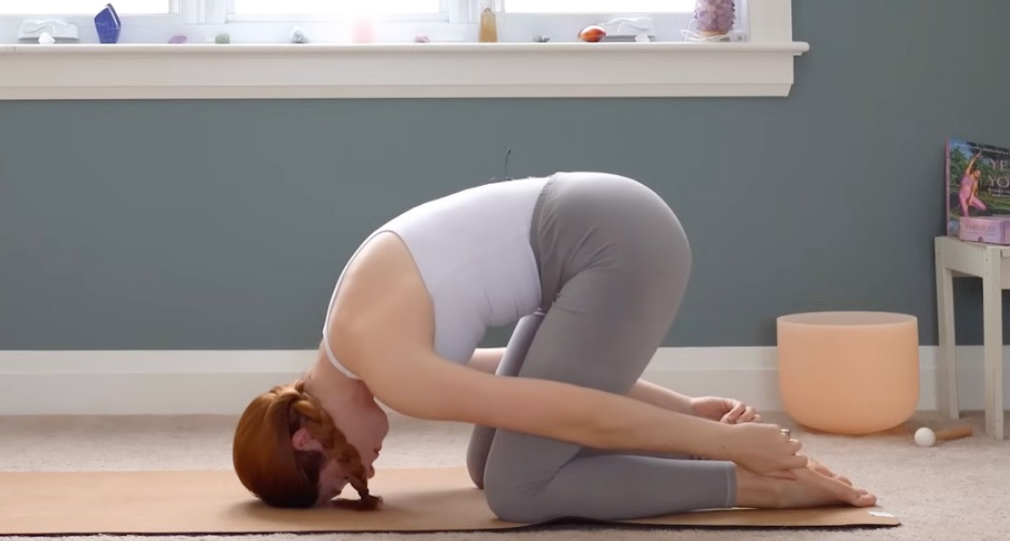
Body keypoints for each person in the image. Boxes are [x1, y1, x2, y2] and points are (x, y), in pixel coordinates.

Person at [231, 171, 877, 521]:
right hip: (598, 233)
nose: (363, 472)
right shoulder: (351, 337)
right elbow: (524, 383)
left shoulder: (388, 366)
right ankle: (726, 461)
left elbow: (565, 410)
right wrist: (686, 412)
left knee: (517, 490)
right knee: (489, 466)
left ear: (306, 439)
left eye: (339, 481)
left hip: (618, 244)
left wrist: (725, 446)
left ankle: (759, 488)